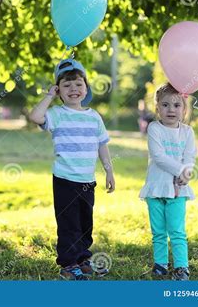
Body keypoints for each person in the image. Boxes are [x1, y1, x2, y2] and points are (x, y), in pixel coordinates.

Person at [29, 58, 116, 280]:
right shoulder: (57, 114)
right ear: (59, 90)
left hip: (87, 180)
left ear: (86, 88)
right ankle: (68, 263)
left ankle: (83, 258)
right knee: (69, 223)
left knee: (86, 222)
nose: (73, 89)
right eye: (66, 85)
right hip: (65, 179)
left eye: (78, 84)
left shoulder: (94, 117)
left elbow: (102, 146)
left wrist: (109, 171)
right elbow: (35, 116)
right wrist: (49, 95)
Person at [139, 83, 197, 281]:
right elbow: (158, 156)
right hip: (156, 187)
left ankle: (182, 267)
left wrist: (187, 171)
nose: (171, 109)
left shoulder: (187, 132)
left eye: (176, 105)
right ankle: (160, 264)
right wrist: (180, 169)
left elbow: (190, 156)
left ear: (184, 108)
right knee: (158, 231)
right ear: (157, 108)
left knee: (177, 230)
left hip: (178, 190)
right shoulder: (155, 128)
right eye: (165, 105)